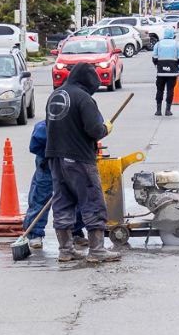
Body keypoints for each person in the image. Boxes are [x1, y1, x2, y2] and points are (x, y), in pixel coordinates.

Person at [45, 63, 120, 264]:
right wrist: (106, 128)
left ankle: (65, 250)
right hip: (79, 158)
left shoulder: (56, 95)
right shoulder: (84, 98)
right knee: (93, 202)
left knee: (63, 201)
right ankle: (97, 251)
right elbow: (94, 130)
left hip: (55, 156)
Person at [22, 120, 54, 249]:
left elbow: (95, 128)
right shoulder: (44, 127)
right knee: (41, 194)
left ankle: (75, 231)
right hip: (48, 158)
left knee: (76, 195)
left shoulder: (85, 105)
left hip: (75, 156)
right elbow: (36, 143)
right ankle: (34, 232)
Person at [151, 27, 179, 117]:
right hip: (172, 72)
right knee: (170, 90)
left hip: (160, 72)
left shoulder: (158, 44)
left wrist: (157, 66)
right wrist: (178, 67)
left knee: (159, 90)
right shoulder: (177, 44)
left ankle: (158, 110)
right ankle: (168, 110)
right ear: (172, 35)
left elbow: (154, 57)